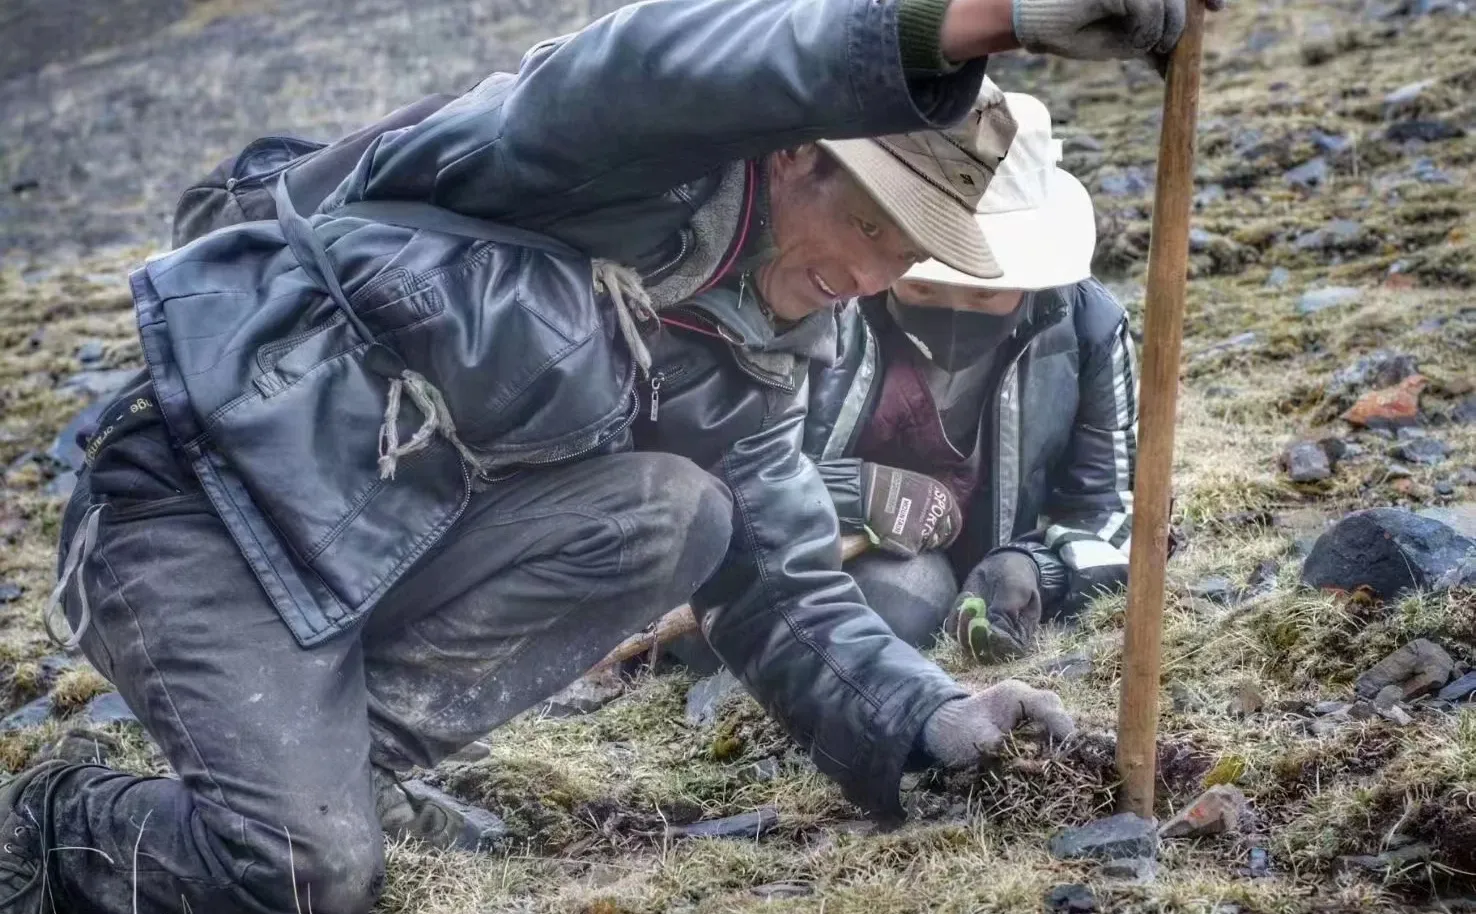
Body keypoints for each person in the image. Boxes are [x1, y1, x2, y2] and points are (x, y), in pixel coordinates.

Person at [0, 1, 1198, 912]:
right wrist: (973, 18)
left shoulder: (762, 356)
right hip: (201, 501)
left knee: (683, 512)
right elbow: (660, 63)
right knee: (303, 874)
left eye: (913, 249)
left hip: (374, 562)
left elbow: (787, 587)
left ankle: (350, 765)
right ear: (793, 155)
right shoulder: (599, 153)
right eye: (872, 222)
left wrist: (931, 719)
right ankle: (49, 825)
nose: (876, 274)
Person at [804, 90, 1139, 664]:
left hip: (994, 555)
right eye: (924, 284)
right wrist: (850, 491)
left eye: (985, 291)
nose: (954, 310)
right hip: (828, 551)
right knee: (906, 601)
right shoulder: (820, 302)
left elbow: (1112, 513)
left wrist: (1037, 568)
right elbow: (728, 468)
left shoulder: (1089, 328)